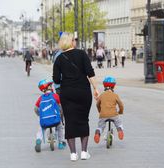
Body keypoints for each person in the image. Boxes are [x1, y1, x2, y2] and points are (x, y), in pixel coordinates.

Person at [53, 32, 99, 161]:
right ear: (71, 41)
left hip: (67, 92)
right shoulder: (82, 54)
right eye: (74, 40)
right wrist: (96, 88)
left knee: (70, 121)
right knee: (84, 119)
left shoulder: (59, 58)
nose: (75, 41)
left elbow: (56, 79)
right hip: (83, 91)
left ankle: (73, 153)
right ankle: (84, 152)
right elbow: (90, 73)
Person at [34, 79, 66, 152]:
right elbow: (60, 106)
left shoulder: (41, 98)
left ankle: (39, 139)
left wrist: (40, 115)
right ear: (48, 87)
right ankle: (61, 143)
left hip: (45, 120)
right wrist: (60, 113)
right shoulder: (55, 96)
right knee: (60, 127)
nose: (52, 87)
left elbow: (35, 109)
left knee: (41, 128)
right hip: (55, 120)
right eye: (50, 86)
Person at [94, 76, 124, 144]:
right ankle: (119, 130)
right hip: (114, 115)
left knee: (100, 127)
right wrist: (120, 111)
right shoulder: (115, 95)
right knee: (118, 124)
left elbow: (97, 104)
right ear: (114, 86)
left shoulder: (101, 95)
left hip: (103, 115)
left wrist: (100, 111)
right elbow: (121, 104)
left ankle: (97, 133)